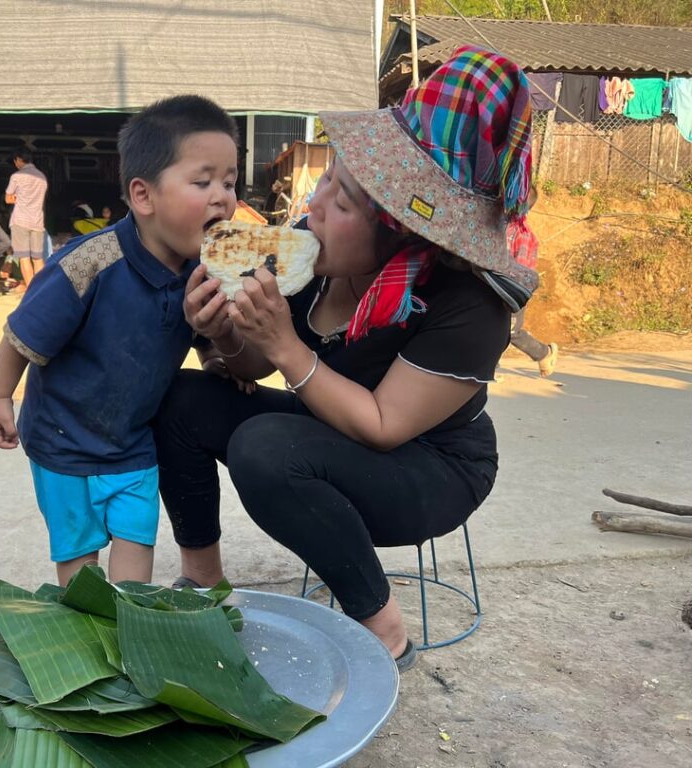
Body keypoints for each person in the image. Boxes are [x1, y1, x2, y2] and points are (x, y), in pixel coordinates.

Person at [152, 47, 541, 671]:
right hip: (330, 434)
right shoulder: (311, 255)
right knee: (182, 400)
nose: (316, 206)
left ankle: (384, 630)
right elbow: (250, 370)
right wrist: (225, 335)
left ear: (401, 230)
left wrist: (284, 345)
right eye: (327, 179)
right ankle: (202, 584)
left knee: (267, 446)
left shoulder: (468, 305)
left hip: (428, 469)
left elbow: (384, 425)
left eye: (344, 200)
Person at [0, 95, 239, 587]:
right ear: (143, 196)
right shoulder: (88, 263)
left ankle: (131, 639)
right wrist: (0, 396)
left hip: (133, 446)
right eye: (203, 181)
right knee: (81, 572)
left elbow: (193, 330)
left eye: (229, 182)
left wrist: (212, 357)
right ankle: (92, 643)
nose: (223, 197)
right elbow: (22, 336)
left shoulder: (204, 271)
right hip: (63, 444)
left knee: (133, 576)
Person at [4, 150, 48, 290]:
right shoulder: (42, 177)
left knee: (24, 257)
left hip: (21, 220)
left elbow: (8, 198)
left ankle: (30, 289)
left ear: (18, 160)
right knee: (38, 258)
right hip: (37, 222)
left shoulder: (17, 176)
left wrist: (19, 198)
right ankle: (41, 289)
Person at [509, 309, 559, 376]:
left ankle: (543, 353)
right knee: (492, 329)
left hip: (510, 300)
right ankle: (491, 370)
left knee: (510, 331)